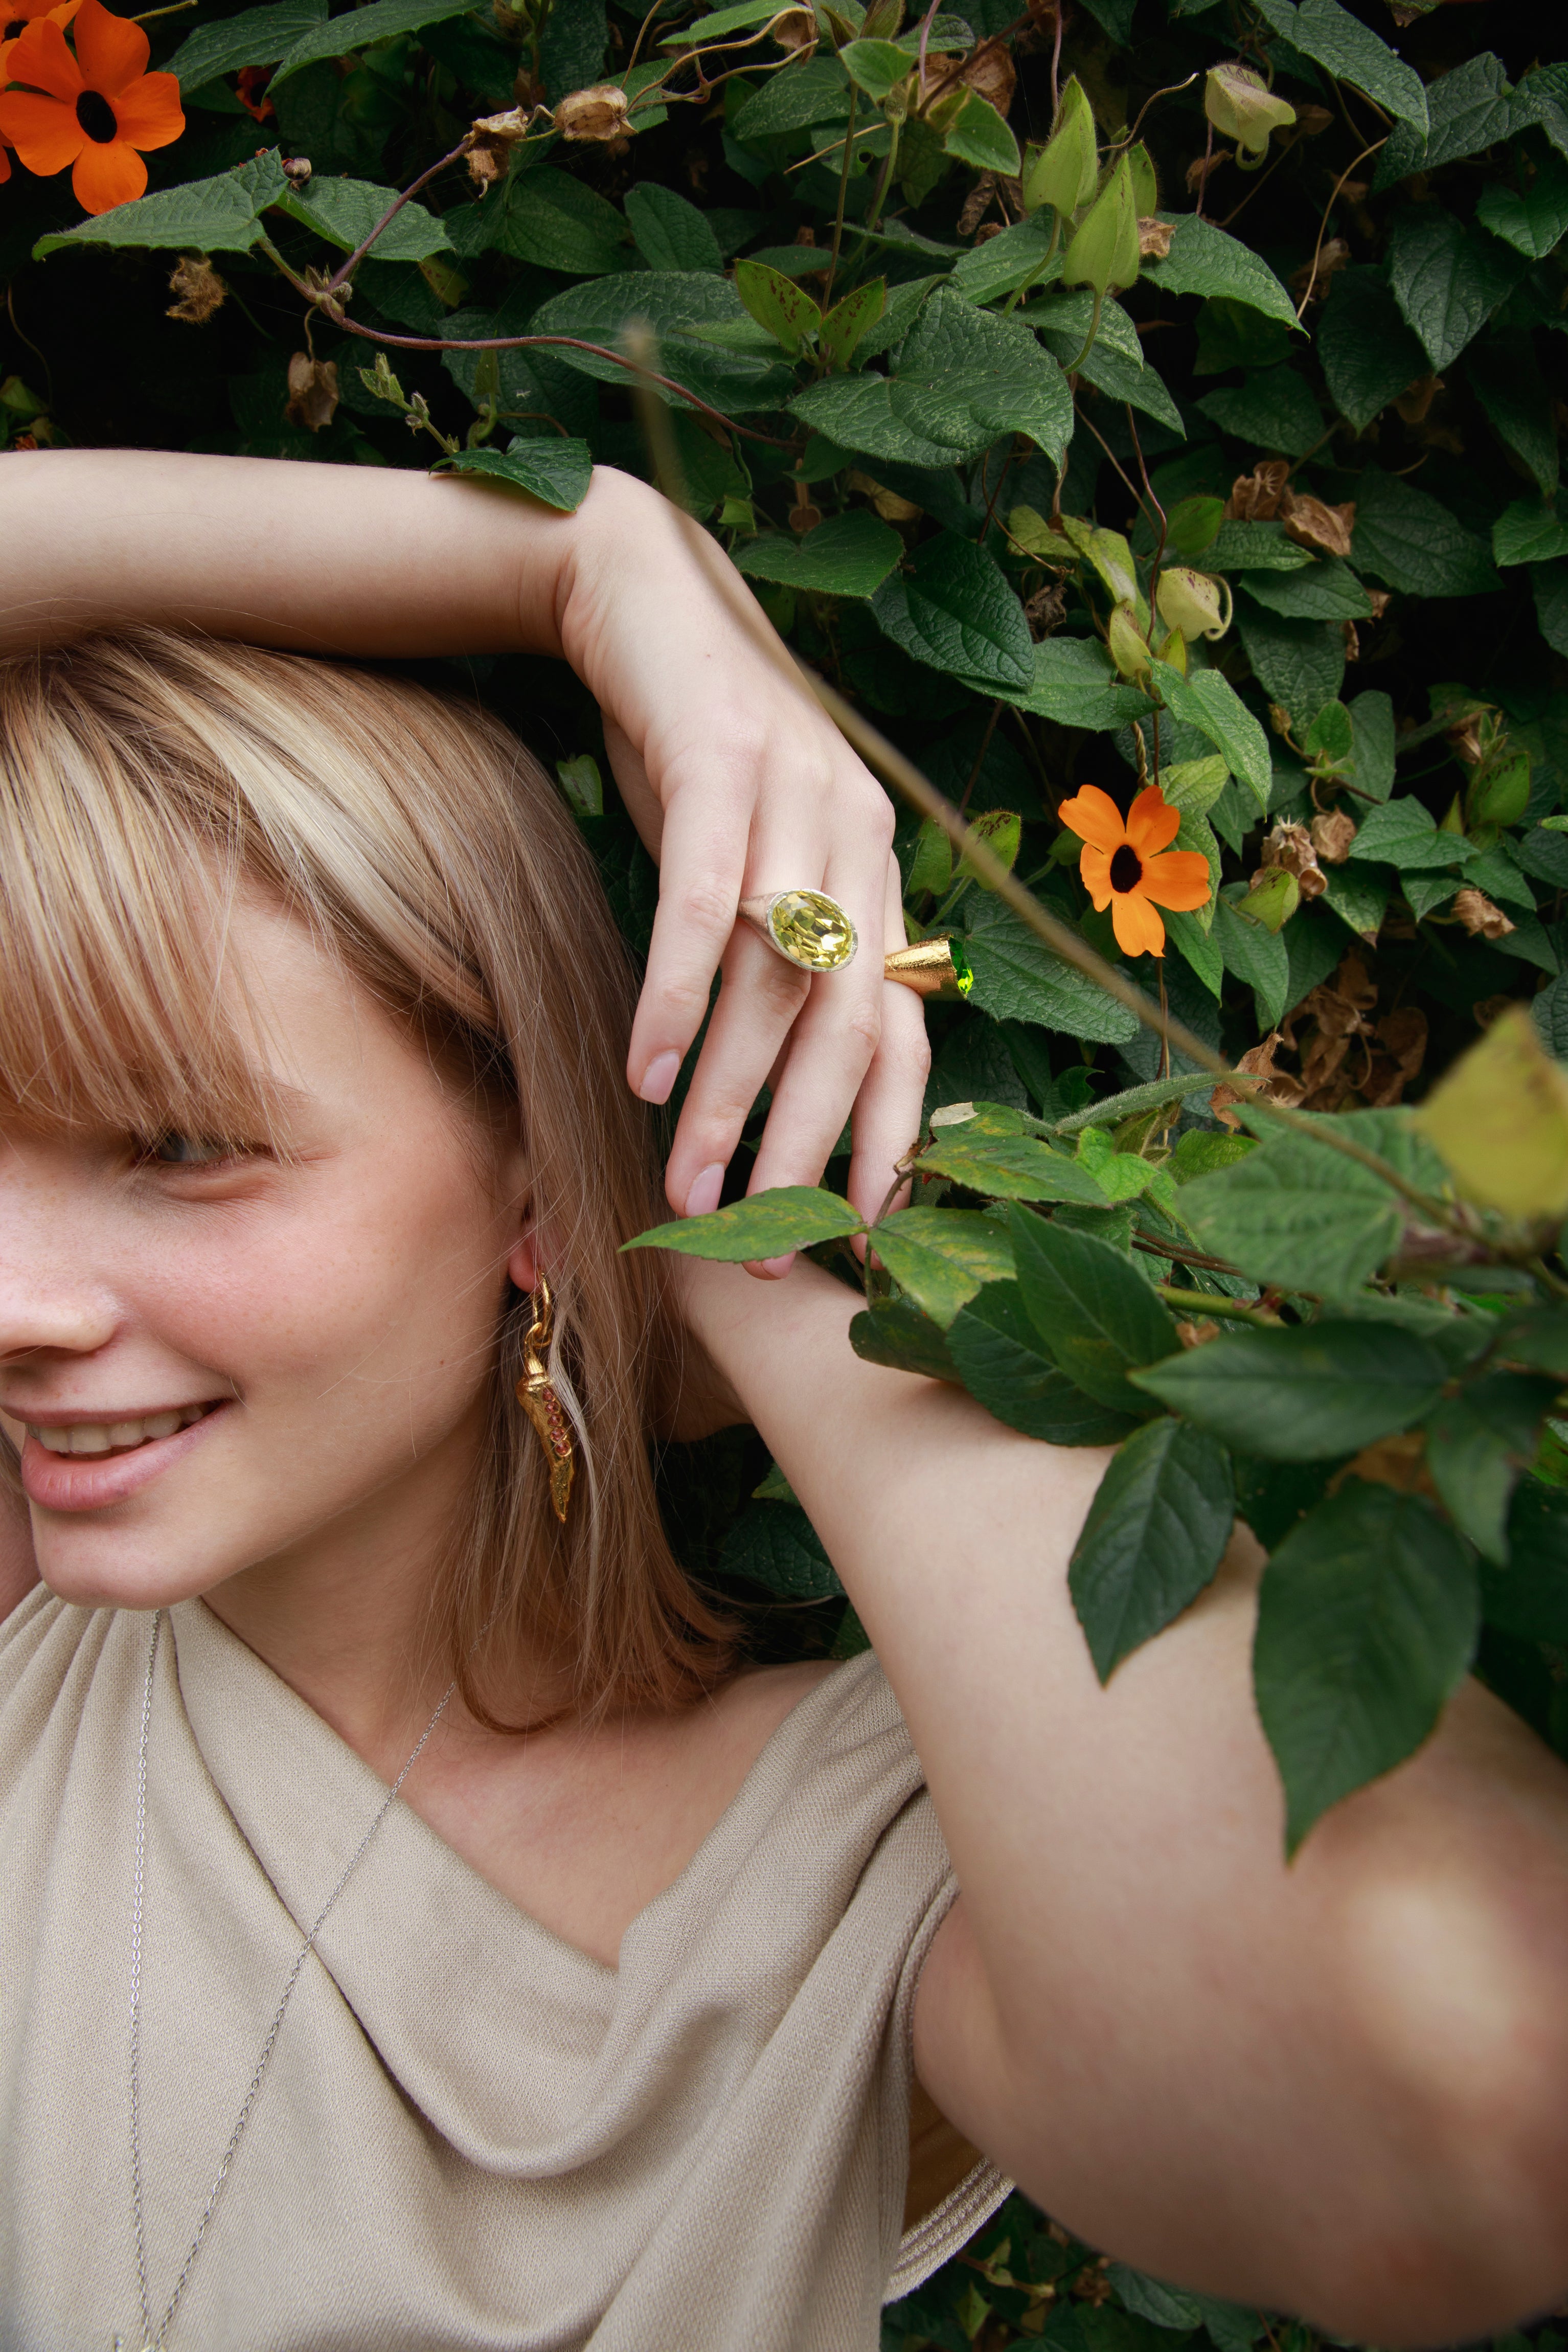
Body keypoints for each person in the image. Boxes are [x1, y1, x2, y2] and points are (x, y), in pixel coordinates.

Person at [2, 454, 1567, 2352]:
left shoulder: (835, 1863)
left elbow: (1461, 2113)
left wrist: (725, 1241)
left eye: (179, 1147)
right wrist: (592, 561)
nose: (13, 1304)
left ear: (527, 1169)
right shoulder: (33, 1635)